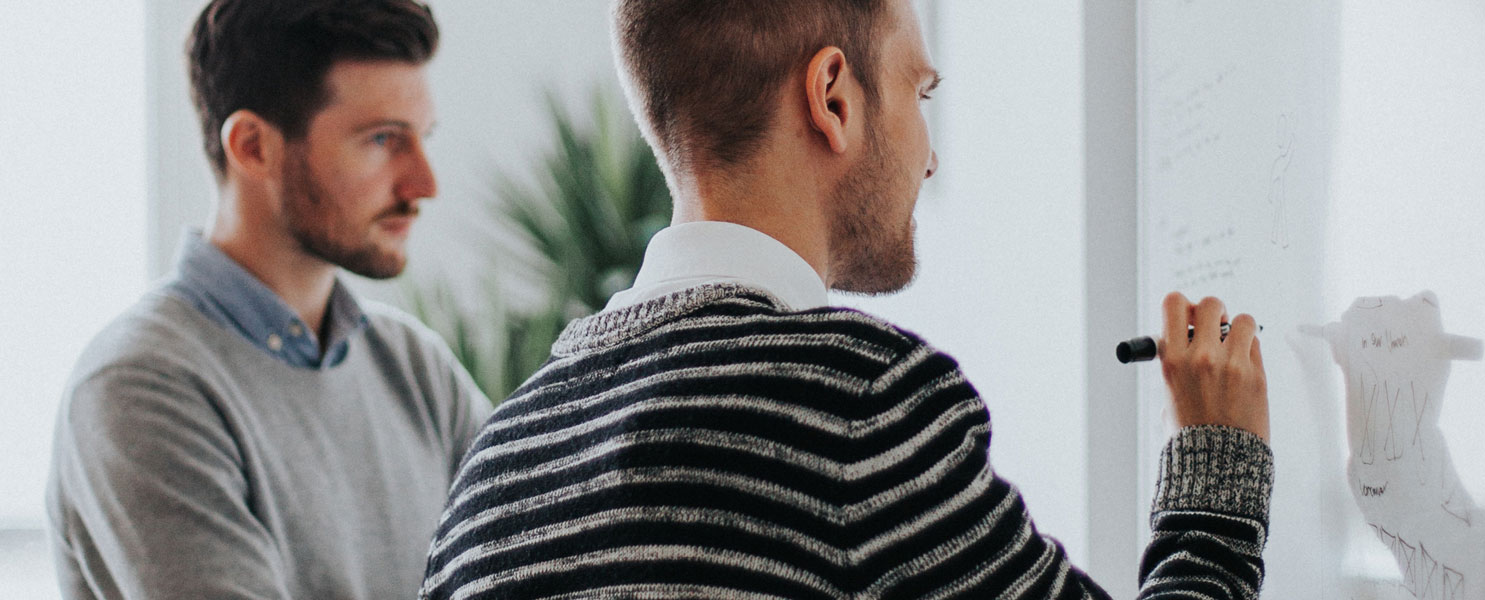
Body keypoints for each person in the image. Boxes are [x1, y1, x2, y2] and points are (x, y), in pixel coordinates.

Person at [419, 0, 1273, 597]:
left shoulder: (493, 468)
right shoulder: (856, 399)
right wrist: (1215, 465)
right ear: (833, 96)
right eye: (919, 91)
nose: (929, 155)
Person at [46, 1, 489, 598]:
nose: (423, 184)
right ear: (253, 146)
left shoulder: (416, 369)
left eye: (422, 138)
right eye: (382, 139)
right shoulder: (137, 386)